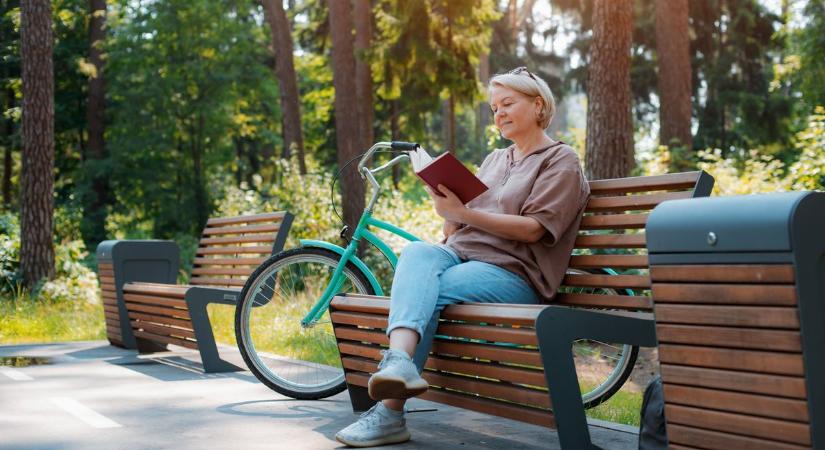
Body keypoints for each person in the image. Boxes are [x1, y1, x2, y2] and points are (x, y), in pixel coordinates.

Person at [335, 67, 591, 448]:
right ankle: (399, 364)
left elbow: (534, 229)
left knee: (430, 290)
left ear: (538, 106)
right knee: (418, 252)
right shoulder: (495, 160)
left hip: (514, 275)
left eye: (507, 104)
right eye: (493, 108)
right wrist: (450, 214)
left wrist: (465, 214)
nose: (498, 114)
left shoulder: (561, 160)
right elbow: (460, 228)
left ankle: (389, 413)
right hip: (463, 255)